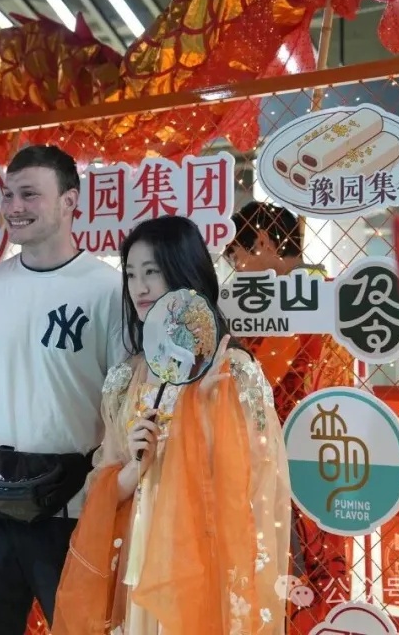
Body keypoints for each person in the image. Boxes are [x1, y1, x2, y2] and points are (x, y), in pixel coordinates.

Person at [52, 215, 291, 635]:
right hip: (137, 559)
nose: (139, 287)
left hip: (202, 557)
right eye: (131, 274)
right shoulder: (127, 377)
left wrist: (199, 414)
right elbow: (104, 481)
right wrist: (133, 469)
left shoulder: (231, 370)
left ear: (185, 272)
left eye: (152, 272)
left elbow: (257, 484)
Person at [0, 144, 127, 635]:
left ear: (69, 201)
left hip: (71, 509)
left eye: (30, 194)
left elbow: (125, 404)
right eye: (8, 195)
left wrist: (114, 505)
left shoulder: (107, 290)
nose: (14, 207)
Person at [227, 201, 355, 631]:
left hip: (281, 464)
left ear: (262, 241)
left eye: (235, 254)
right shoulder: (325, 293)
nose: (235, 268)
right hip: (327, 456)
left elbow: (254, 382)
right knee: (318, 571)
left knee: (286, 576)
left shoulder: (289, 306)